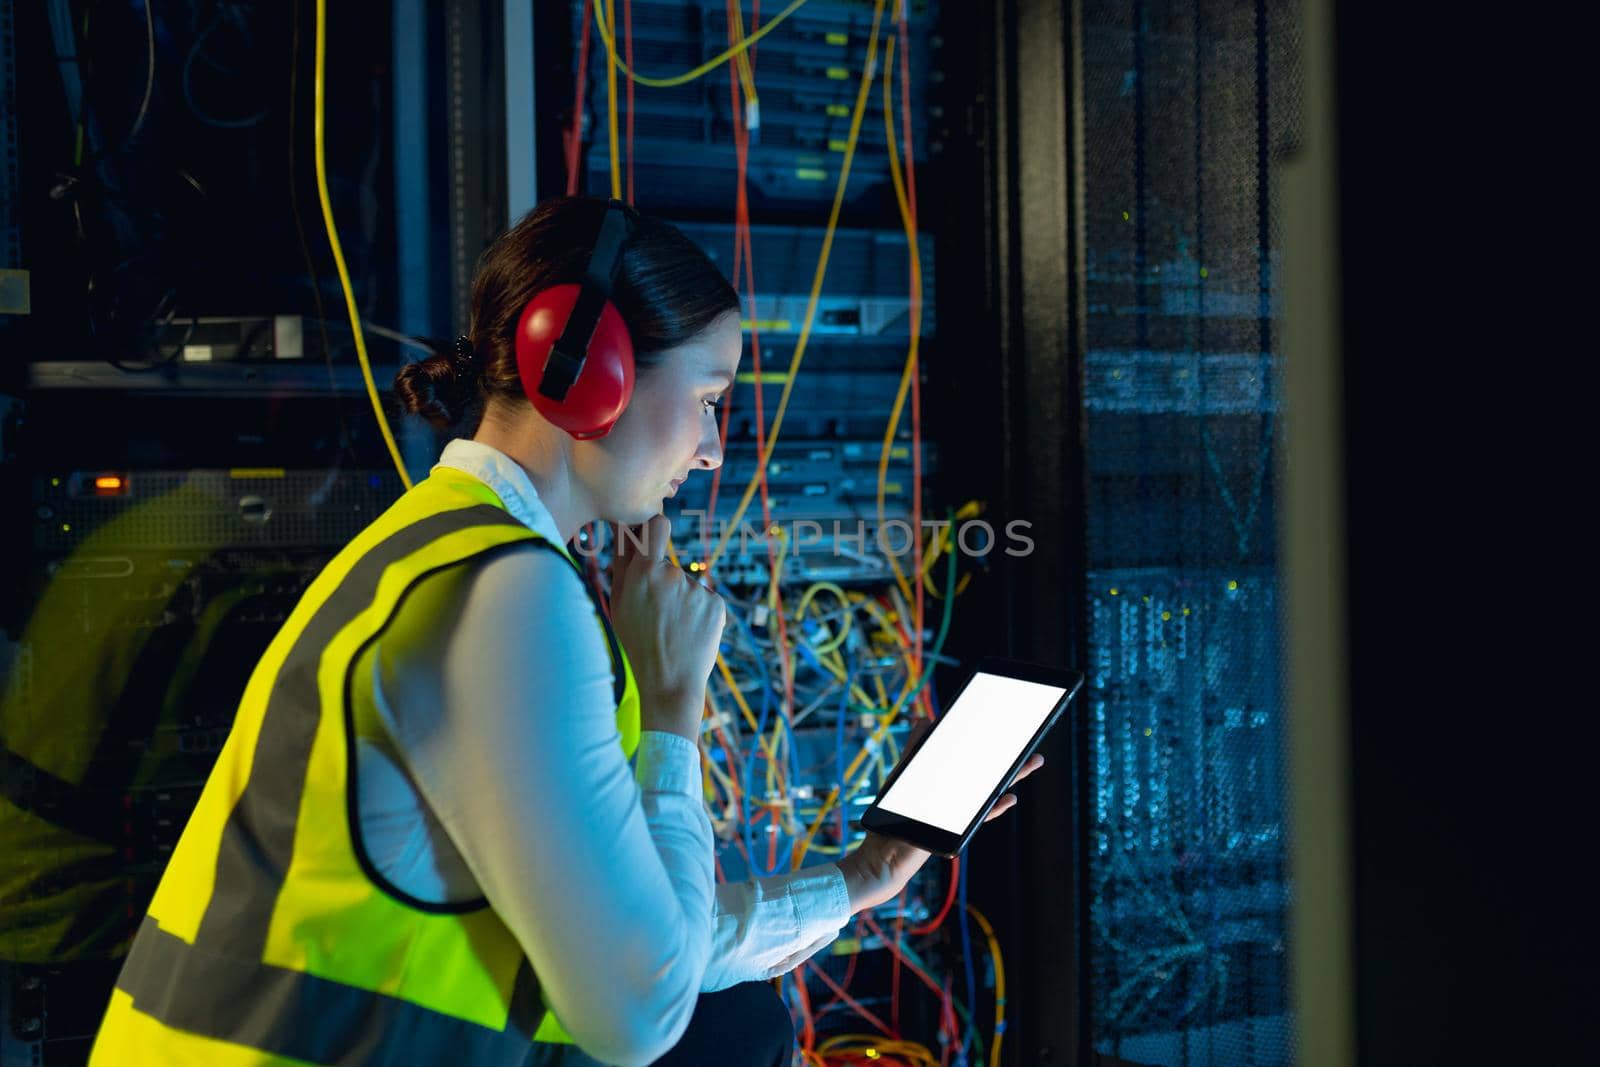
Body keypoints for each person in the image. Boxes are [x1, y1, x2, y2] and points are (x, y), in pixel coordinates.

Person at [86, 194, 1040, 1066]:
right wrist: (673, 704)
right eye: (709, 400)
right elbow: (643, 1010)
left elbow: (649, 938)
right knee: (731, 1038)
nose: (712, 452)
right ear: (586, 372)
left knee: (740, 1022)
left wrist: (863, 875)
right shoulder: (503, 595)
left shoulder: (443, 546)